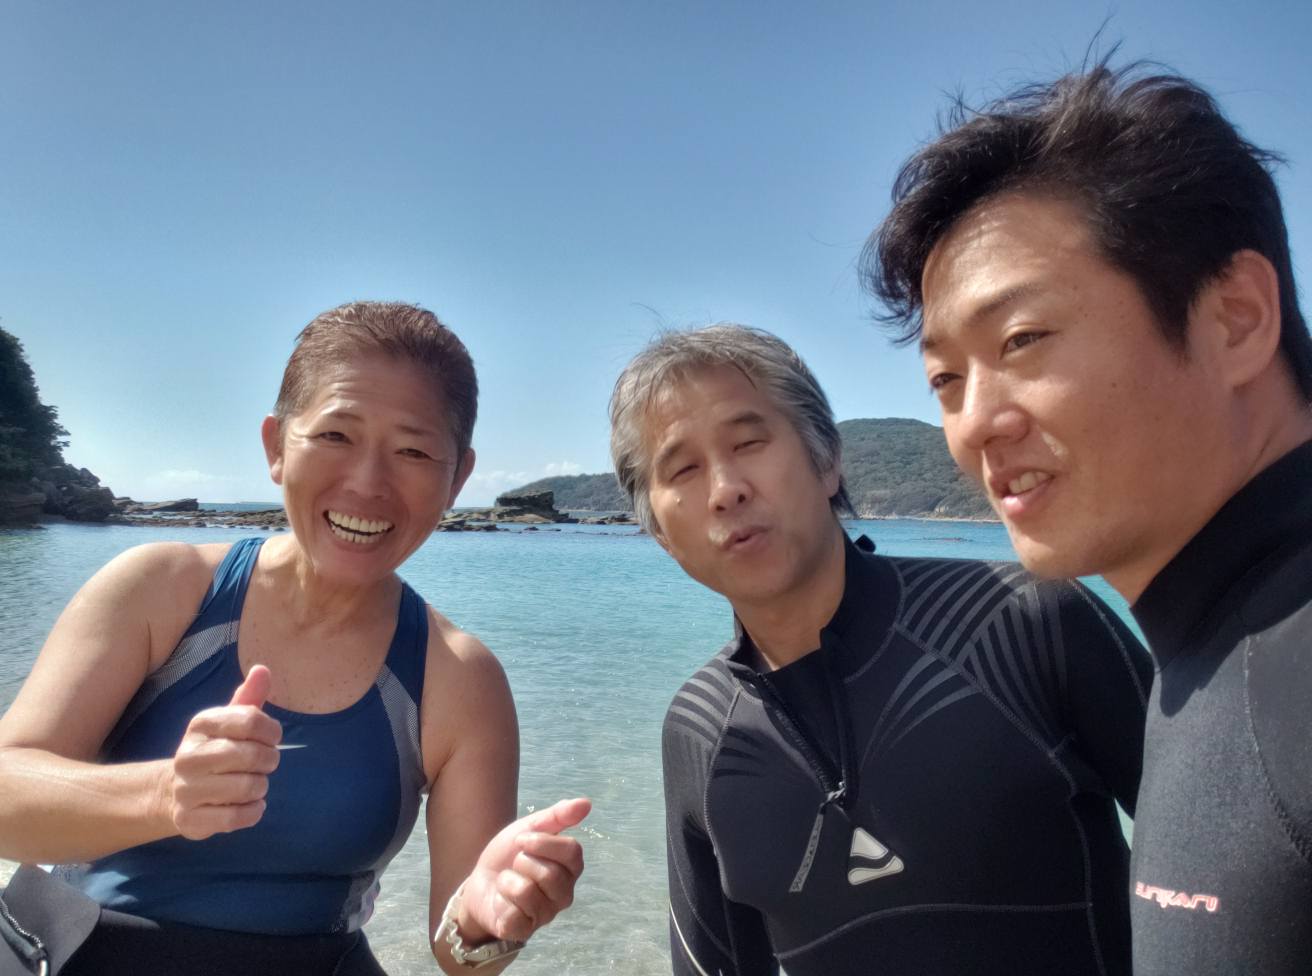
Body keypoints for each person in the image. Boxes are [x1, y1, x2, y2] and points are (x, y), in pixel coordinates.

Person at [865, 59, 1312, 975]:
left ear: (1234, 318)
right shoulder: (1205, 658)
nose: (973, 424)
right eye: (945, 380)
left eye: (1021, 339)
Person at [0, 302, 587, 975]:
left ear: (457, 478)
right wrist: (163, 796)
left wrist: (484, 920)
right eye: (336, 435)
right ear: (277, 446)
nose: (367, 483)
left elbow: (460, 956)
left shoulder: (459, 678)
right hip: (73, 951)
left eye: (413, 451)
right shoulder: (161, 590)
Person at [607, 324, 1152, 976]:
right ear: (660, 533)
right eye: (683, 469)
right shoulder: (699, 730)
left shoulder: (1023, 619)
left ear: (827, 459)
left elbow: (1231, 854)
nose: (726, 489)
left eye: (748, 442)